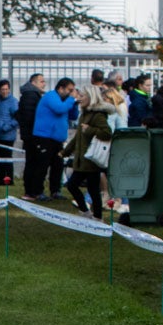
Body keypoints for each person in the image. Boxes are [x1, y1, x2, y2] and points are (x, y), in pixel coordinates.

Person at [63, 77, 114, 219]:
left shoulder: (97, 116)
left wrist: (90, 130)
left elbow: (107, 133)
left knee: (74, 185)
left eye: (82, 95)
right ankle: (96, 215)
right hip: (82, 158)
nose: (79, 98)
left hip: (90, 159)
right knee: (92, 189)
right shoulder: (83, 115)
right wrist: (65, 152)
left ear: (90, 97)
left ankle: (88, 212)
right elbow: (77, 137)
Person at [22, 77, 79, 202]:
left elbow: (73, 116)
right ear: (61, 88)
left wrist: (75, 104)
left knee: (58, 166)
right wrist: (71, 99)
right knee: (42, 166)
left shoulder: (65, 101)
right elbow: (59, 109)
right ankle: (37, 191)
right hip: (44, 137)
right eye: (69, 90)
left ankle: (55, 190)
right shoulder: (51, 97)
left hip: (57, 139)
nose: (71, 92)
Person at [0, 79, 20, 187]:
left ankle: (9, 180)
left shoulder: (13, 102)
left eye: (6, 89)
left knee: (7, 158)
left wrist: (7, 127)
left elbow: (17, 118)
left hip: (7, 136)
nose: (5, 91)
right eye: (2, 89)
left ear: (9, 89)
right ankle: (1, 180)